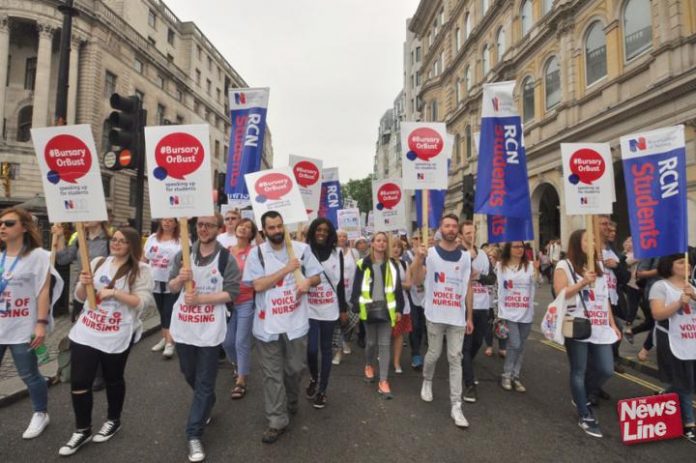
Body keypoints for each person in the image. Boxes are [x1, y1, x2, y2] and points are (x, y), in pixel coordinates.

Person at [59, 227, 153, 456]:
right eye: (115, 239)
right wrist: (82, 283)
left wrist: (115, 294)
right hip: (88, 329)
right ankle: (82, 429)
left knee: (113, 378)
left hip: (117, 332)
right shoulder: (99, 261)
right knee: (80, 381)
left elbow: (143, 302)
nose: (117, 243)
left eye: (122, 241)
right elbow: (80, 298)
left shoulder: (142, 270)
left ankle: (113, 419)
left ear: (132, 245)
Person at [243, 211, 322, 444]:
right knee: (272, 375)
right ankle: (277, 420)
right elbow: (257, 285)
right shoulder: (256, 254)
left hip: (296, 324)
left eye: (280, 226)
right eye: (272, 228)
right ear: (263, 230)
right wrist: (287, 269)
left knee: (295, 369)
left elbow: (317, 276)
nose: (277, 231)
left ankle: (291, 399)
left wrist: (307, 281)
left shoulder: (301, 249)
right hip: (267, 327)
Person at [168, 214, 241, 462]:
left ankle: (193, 435)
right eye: (200, 224)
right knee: (189, 374)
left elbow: (231, 293)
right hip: (185, 327)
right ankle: (207, 401)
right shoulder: (183, 255)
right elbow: (171, 287)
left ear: (219, 229)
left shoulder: (225, 258)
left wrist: (201, 300)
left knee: (205, 381)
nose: (203, 229)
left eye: (209, 225)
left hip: (210, 329)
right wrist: (180, 278)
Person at [0, 208, 62, 439]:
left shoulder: (39, 256)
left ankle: (40, 413)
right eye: (1, 223)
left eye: (9, 223)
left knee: (29, 374)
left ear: (24, 227)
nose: (2, 227)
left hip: (22, 327)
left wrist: (40, 324)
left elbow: (43, 291)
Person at [553, 229, 621, 438]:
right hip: (578, 324)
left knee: (606, 369)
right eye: (586, 239)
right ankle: (585, 413)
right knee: (579, 370)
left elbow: (604, 298)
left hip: (600, 325)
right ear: (576, 242)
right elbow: (560, 293)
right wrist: (582, 282)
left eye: (593, 240)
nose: (591, 243)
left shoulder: (598, 266)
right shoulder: (564, 266)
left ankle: (580, 393)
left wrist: (612, 324)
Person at [411, 214, 473, 428]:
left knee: (455, 357)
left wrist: (469, 315)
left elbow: (467, 288)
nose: (451, 229)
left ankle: (456, 405)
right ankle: (427, 380)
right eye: (447, 225)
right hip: (435, 315)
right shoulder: (428, 254)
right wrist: (418, 259)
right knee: (434, 354)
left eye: (455, 226)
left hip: (457, 317)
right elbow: (415, 280)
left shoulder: (465, 257)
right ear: (440, 228)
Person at [351, 231, 404, 399]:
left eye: (384, 241)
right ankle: (368, 364)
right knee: (371, 343)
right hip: (368, 310)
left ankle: (383, 381)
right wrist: (357, 307)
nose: (381, 243)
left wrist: (399, 309)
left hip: (387, 310)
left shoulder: (392, 265)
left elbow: (397, 289)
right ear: (372, 243)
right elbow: (356, 287)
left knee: (384, 345)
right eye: (378, 240)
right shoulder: (362, 264)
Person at [649, 254, 696, 443]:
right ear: (669, 265)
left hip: (691, 339)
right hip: (671, 339)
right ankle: (689, 423)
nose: (687, 265)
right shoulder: (660, 287)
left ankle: (668, 392)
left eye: (688, 262)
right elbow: (657, 314)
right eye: (680, 262)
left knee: (688, 381)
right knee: (683, 381)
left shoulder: (691, 286)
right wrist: (679, 303)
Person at [305, 218, 347, 408]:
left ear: (330, 234)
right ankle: (314, 377)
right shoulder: (305, 251)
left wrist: (343, 309)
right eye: (318, 229)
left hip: (329, 308)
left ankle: (322, 390)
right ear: (313, 231)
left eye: (325, 230)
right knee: (311, 349)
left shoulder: (336, 253)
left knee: (326, 349)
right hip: (309, 309)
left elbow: (339, 285)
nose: (321, 233)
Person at [221, 218, 258, 400]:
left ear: (252, 234)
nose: (243, 228)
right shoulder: (227, 252)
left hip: (246, 301)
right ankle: (238, 365)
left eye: (248, 227)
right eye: (241, 225)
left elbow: (258, 276)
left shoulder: (254, 252)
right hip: (227, 301)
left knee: (241, 341)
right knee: (227, 342)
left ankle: (242, 380)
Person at [497, 241, 539, 392]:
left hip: (526, 313)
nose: (520, 249)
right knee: (514, 344)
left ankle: (515, 375)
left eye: (522, 247)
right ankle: (506, 374)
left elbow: (537, 283)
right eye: (515, 247)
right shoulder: (501, 266)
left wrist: (537, 273)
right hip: (508, 312)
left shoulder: (530, 266)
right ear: (509, 249)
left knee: (520, 346)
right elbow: (496, 285)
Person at [460, 220, 493, 403]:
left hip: (482, 306)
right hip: (464, 307)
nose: (471, 236)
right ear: (461, 235)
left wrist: (479, 276)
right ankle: (469, 384)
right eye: (467, 233)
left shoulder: (484, 256)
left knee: (477, 343)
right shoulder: (458, 254)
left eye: (473, 233)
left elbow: (492, 278)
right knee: (466, 346)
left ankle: (465, 366)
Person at [143, 218, 182, 359]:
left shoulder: (181, 240)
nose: (167, 223)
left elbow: (186, 260)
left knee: (169, 311)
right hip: (154, 280)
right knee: (161, 311)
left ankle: (170, 343)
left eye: (170, 221)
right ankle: (165, 337)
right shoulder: (153, 238)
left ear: (176, 224)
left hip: (172, 281)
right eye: (164, 220)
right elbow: (144, 258)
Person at [331, 229, 360, 365]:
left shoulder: (354, 253)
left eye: (344, 236)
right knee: (337, 322)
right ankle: (338, 351)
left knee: (350, 321)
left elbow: (359, 271)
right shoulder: (331, 253)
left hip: (352, 292)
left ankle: (346, 341)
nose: (342, 238)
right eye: (339, 236)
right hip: (337, 293)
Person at [390, 238, 412, 374]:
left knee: (399, 335)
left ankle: (396, 361)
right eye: (393, 246)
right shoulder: (384, 263)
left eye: (398, 247)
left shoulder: (404, 264)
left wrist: (395, 284)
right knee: (386, 333)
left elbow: (409, 285)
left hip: (403, 304)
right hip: (387, 304)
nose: (396, 249)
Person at [483, 246, 506, 358]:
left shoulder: (501, 268)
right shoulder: (485, 268)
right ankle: (489, 346)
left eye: (492, 257)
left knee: (501, 324)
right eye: (488, 257)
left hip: (499, 303)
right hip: (487, 302)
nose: (490, 259)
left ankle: (502, 348)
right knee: (488, 325)